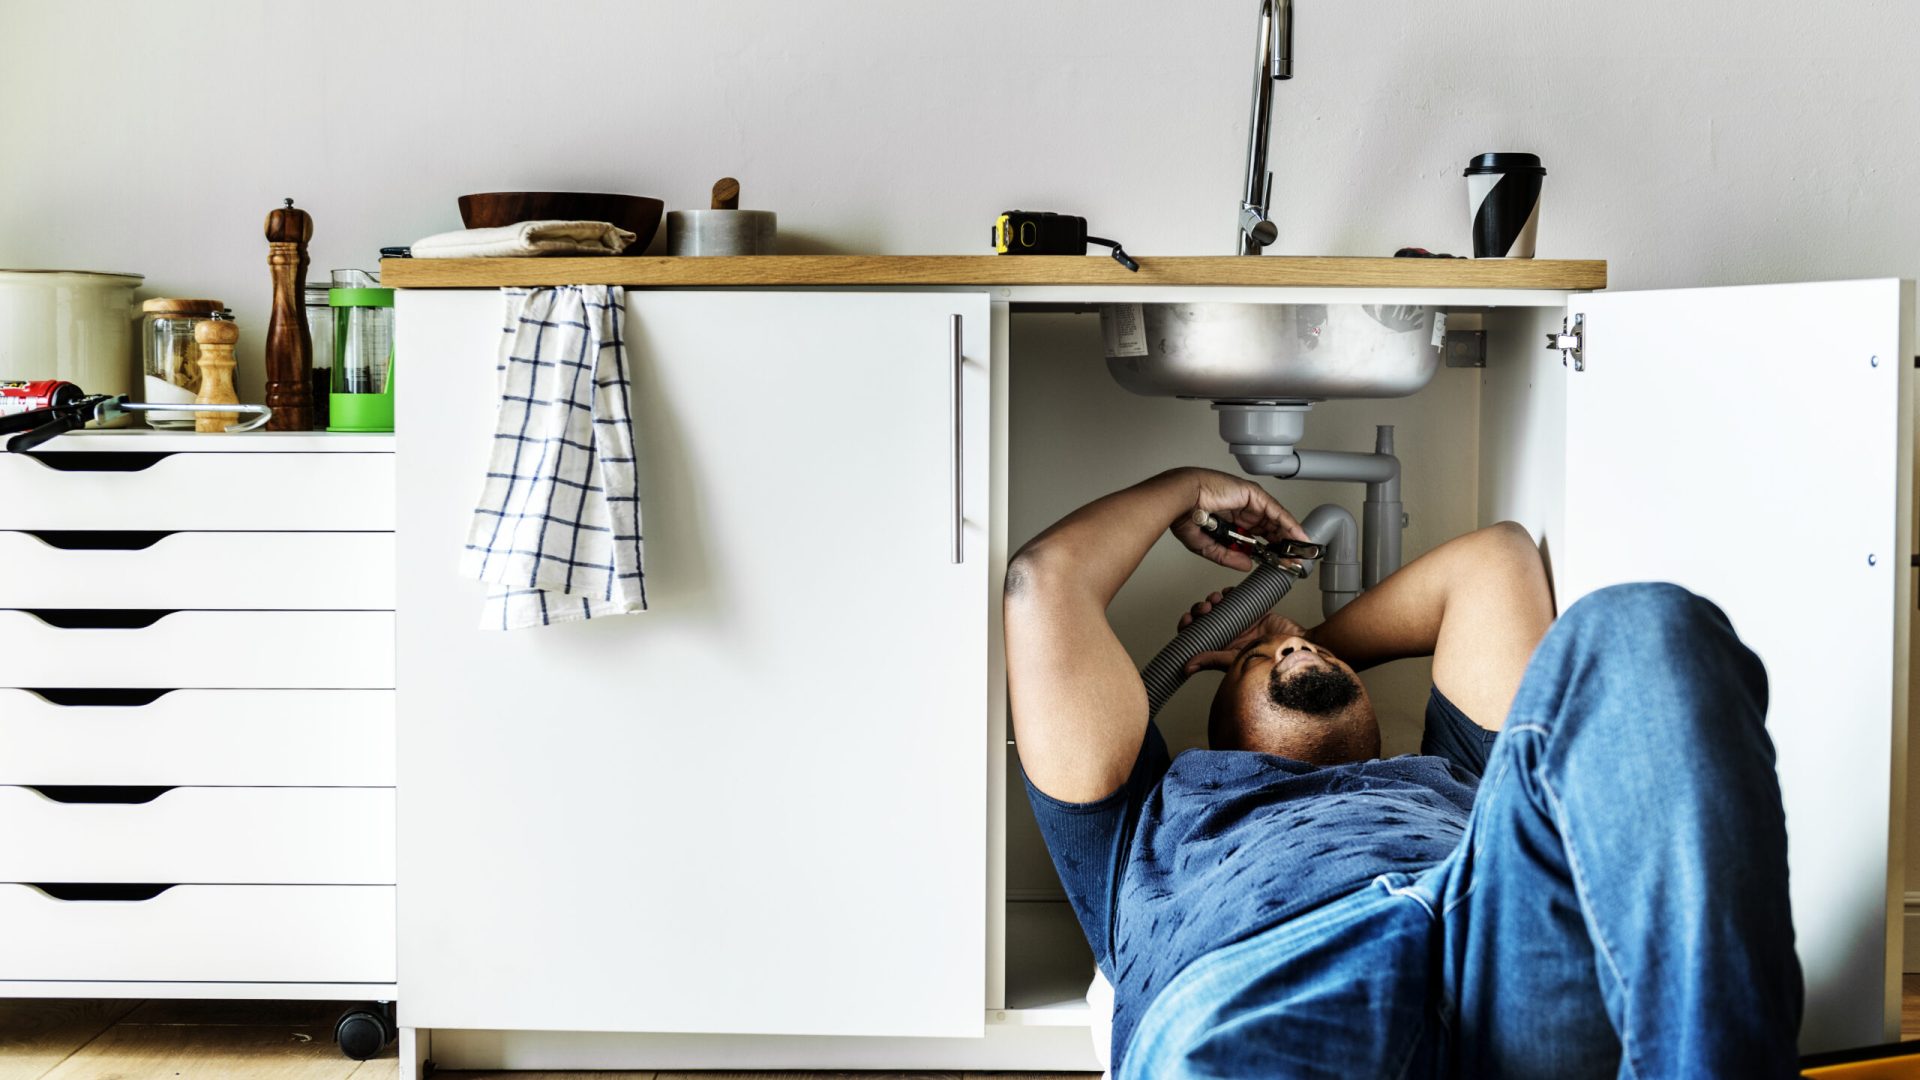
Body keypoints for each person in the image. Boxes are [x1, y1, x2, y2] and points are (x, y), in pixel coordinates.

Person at [1003, 467, 1801, 1079]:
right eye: (1255, 660)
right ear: (1216, 728)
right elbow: (1045, 583)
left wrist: (1303, 632)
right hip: (1265, 986)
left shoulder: (1451, 770)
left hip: (1494, 937)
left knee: (1644, 629)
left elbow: (1495, 560)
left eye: (1301, 651)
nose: (1290, 653)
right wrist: (1185, 489)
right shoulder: (1144, 818)